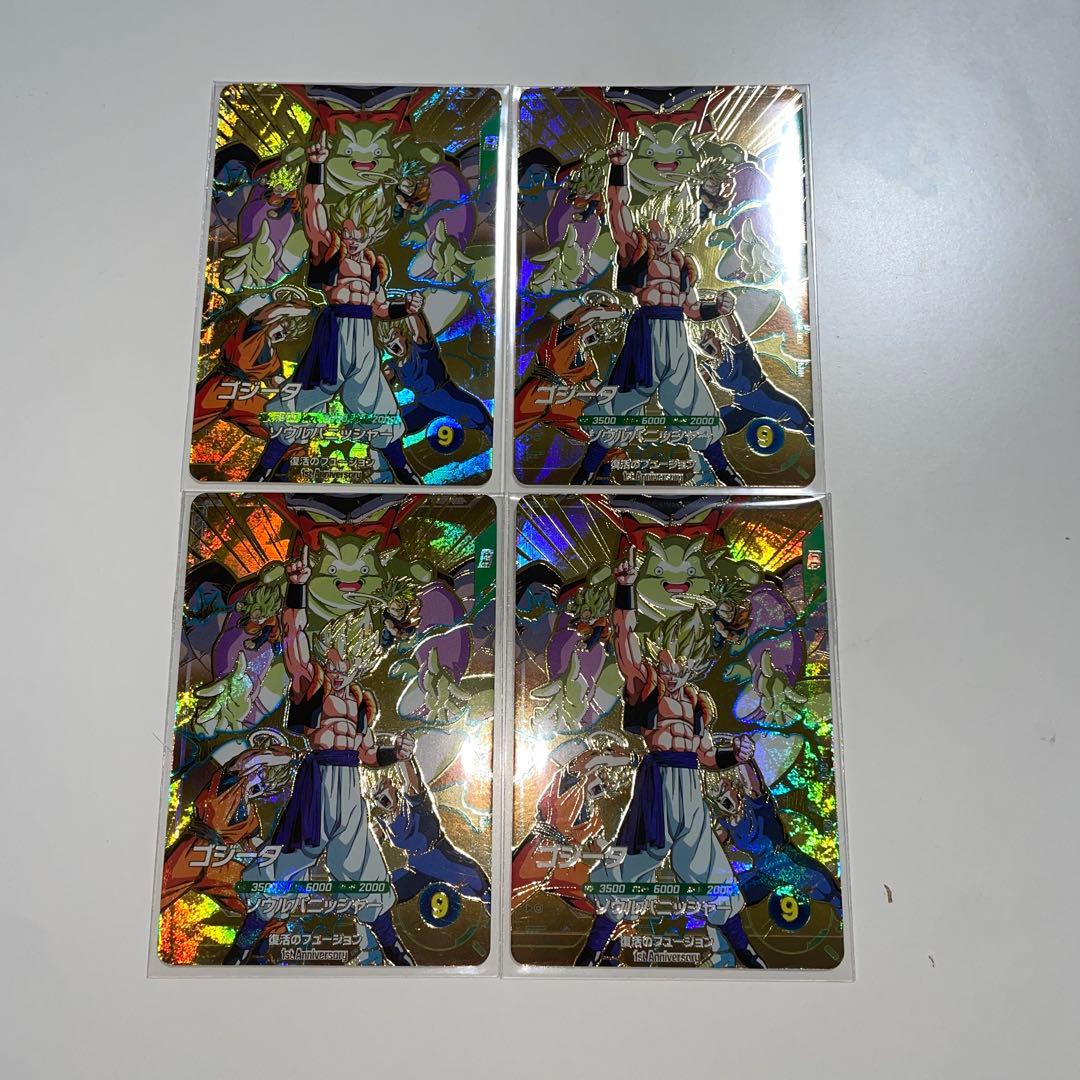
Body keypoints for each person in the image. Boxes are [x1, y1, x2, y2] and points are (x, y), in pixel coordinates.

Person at [223, 547, 417, 965]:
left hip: (350, 788)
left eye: (350, 661)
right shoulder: (314, 684)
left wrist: (395, 753)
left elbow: (368, 753)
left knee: (365, 866)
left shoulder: (361, 702)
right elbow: (295, 644)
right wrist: (297, 588)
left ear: (361, 660)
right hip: (317, 783)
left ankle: (394, 948)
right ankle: (243, 944)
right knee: (286, 860)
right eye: (336, 658)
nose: (341, 667)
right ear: (328, 654)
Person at [575, 544, 763, 967]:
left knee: (710, 867)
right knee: (633, 863)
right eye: (666, 658)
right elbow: (625, 643)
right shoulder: (647, 687)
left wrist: (736, 754)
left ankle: (745, 950)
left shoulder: (696, 704)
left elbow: (708, 756)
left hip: (690, 786)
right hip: (657, 783)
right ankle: (592, 949)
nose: (672, 667)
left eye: (681, 660)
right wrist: (625, 588)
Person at [248, 130, 422, 483]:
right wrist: (316, 166)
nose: (354, 238)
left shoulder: (374, 264)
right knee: (302, 399)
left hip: (364, 337)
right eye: (350, 230)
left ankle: (402, 469)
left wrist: (407, 307)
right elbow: (313, 212)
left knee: (378, 403)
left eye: (362, 232)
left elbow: (380, 309)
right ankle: (264, 468)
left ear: (373, 232)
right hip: (335, 333)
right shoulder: (331, 250)